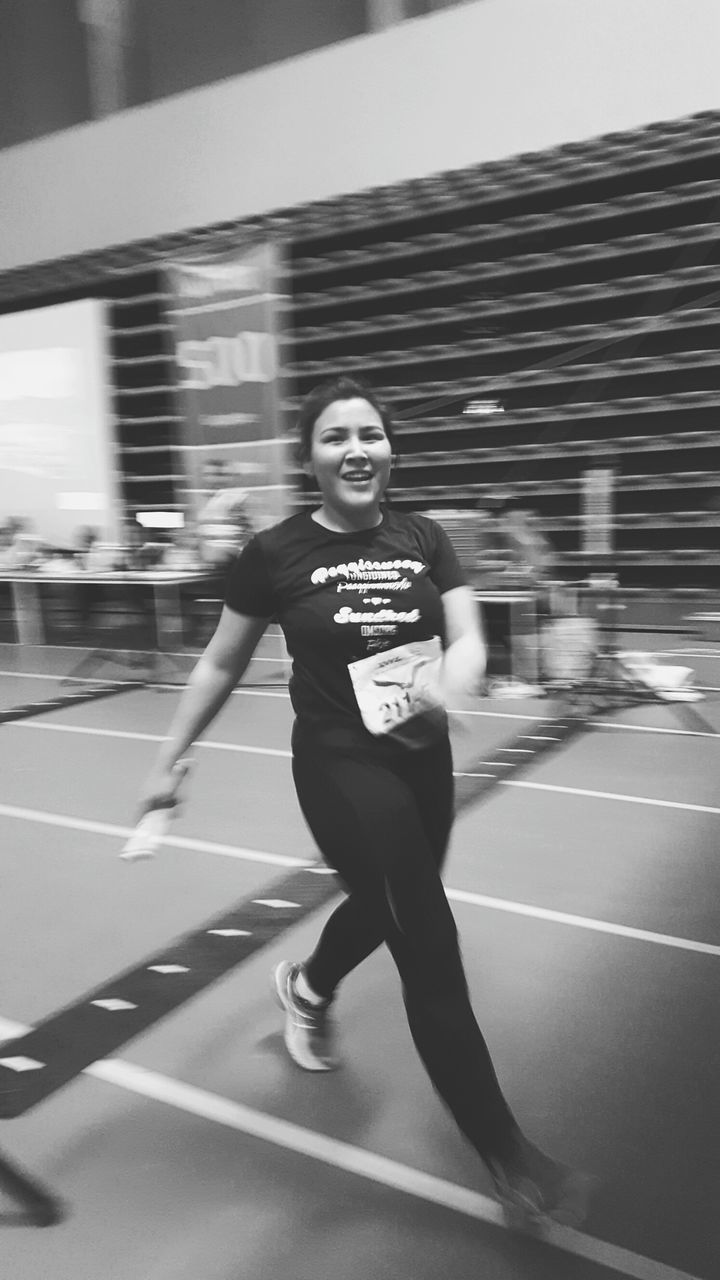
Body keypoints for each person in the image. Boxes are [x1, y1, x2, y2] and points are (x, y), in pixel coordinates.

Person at [138, 377, 591, 1228]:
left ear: (391, 448)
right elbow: (220, 663)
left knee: (393, 906)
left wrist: (458, 676)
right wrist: (169, 759)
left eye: (371, 434)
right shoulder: (273, 554)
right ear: (309, 457)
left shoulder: (425, 536)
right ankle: (510, 1159)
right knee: (428, 938)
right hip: (341, 768)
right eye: (336, 437)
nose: (357, 450)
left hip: (422, 763)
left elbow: (468, 634)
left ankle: (306, 987)